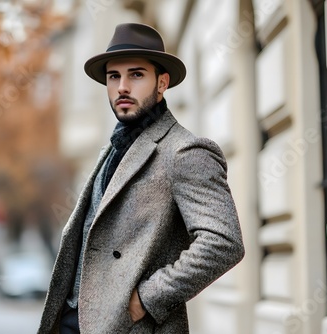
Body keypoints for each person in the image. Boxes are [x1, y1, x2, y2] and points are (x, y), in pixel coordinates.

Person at [37, 23, 244, 334]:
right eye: (113, 76)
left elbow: (223, 242)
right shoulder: (113, 148)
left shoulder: (185, 151)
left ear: (162, 83)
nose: (122, 87)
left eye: (136, 75)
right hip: (73, 322)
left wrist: (145, 299)